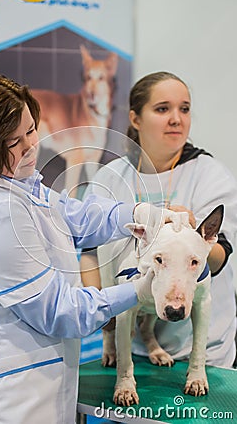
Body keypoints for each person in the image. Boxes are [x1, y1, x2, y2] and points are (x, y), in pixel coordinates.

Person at [0, 74, 187, 424]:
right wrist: (140, 289)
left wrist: (140, 213)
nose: (30, 146)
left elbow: (78, 217)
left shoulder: (21, 184)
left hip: (30, 384)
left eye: (31, 130)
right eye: (13, 141)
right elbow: (61, 312)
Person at [80, 71, 237, 368]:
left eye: (185, 109)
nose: (177, 118)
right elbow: (89, 252)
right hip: (133, 346)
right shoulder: (110, 177)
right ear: (136, 119)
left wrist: (195, 234)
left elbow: (218, 259)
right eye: (163, 109)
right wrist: (106, 316)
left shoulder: (209, 174)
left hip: (202, 349)